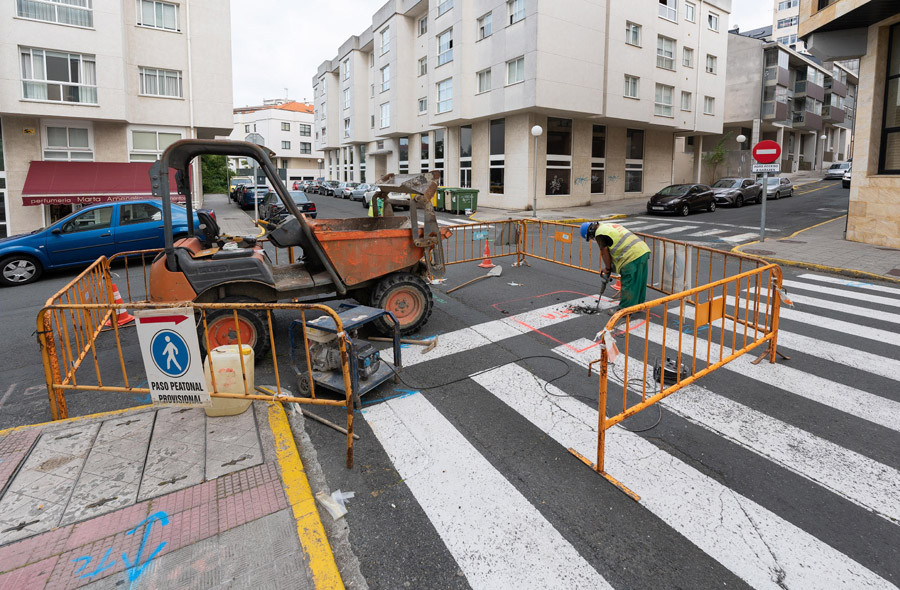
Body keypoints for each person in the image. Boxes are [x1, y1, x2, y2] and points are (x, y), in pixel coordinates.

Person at [580, 221, 651, 315]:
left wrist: (608, 268)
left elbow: (604, 251)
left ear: (590, 231)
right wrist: (610, 267)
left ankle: (623, 311)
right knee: (639, 281)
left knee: (628, 282)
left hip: (631, 255)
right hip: (642, 251)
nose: (593, 239)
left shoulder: (599, 234)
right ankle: (638, 306)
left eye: (591, 237)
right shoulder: (606, 226)